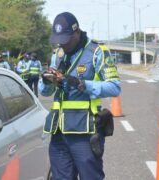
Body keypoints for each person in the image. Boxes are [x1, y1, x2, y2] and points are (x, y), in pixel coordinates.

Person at [39, 12, 121, 180]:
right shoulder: (58, 54)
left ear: (77, 32)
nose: (63, 44)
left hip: (85, 131)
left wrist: (82, 84)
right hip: (59, 131)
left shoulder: (97, 52)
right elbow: (45, 92)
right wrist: (48, 81)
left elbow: (114, 87)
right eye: (59, 40)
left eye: (66, 39)